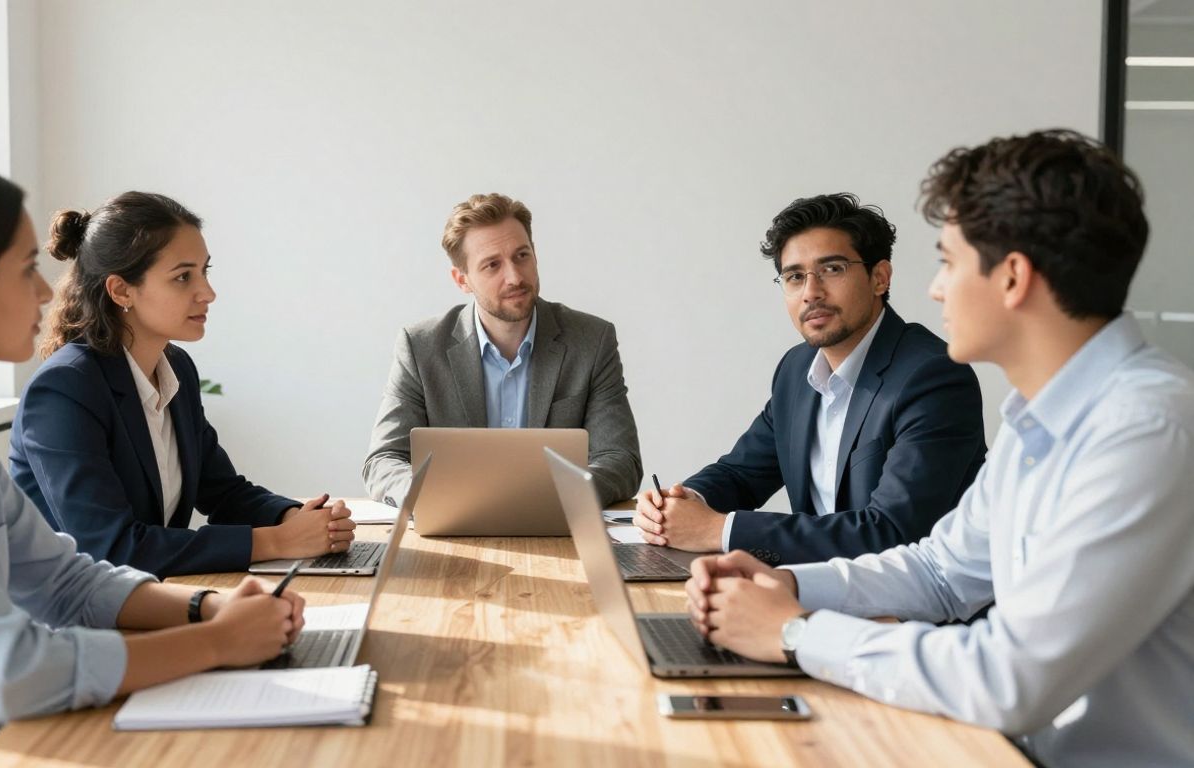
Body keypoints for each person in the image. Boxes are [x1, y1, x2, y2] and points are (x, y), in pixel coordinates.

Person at [685, 130, 1194, 767]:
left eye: (949, 262)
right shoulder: (1041, 418)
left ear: (1012, 278)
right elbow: (939, 571)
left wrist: (793, 631)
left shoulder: (1145, 429)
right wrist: (784, 581)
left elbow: (1011, 680)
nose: (935, 289)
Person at [0, 160, 305, 766]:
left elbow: (62, 580)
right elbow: (5, 670)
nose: (46, 291)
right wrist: (214, 643)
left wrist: (208, 607)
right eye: (27, 268)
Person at [8, 192, 353, 578]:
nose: (207, 292)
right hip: (75, 623)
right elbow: (112, 548)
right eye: (183, 277)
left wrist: (298, 517)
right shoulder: (65, 389)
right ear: (121, 290)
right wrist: (278, 541)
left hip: (153, 600)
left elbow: (223, 492)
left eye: (205, 271)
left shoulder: (176, 369)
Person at [635, 194, 986, 563]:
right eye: (795, 276)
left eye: (832, 269)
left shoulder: (932, 377)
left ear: (879, 277)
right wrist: (679, 504)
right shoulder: (796, 370)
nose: (810, 292)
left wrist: (718, 530)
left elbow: (892, 531)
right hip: (818, 591)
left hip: (909, 612)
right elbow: (740, 473)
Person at [362, 192, 643, 505]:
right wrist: (435, 494)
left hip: (556, 524)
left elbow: (621, 460)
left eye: (522, 256)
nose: (515, 277)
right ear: (462, 279)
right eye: (492, 265)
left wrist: (551, 494)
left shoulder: (591, 340)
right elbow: (383, 462)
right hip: (455, 525)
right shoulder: (420, 347)